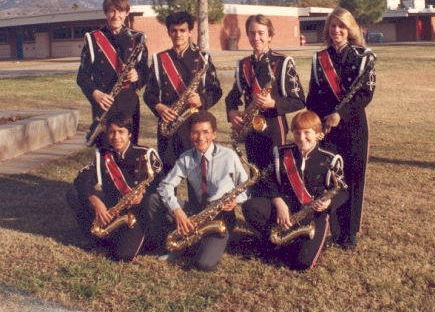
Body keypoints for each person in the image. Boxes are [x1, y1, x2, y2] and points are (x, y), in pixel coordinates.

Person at [306, 7, 376, 250]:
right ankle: (334, 229)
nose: (336, 30)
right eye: (332, 26)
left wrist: (340, 114)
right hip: (327, 128)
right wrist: (317, 124)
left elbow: (365, 94)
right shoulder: (319, 59)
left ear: (350, 29)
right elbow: (312, 96)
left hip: (354, 126)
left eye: (341, 26)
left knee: (354, 177)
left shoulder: (363, 57)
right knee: (331, 177)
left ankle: (351, 232)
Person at [242, 110, 348, 270]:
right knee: (251, 207)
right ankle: (279, 239)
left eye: (307, 133)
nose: (301, 137)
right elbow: (267, 178)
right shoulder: (282, 153)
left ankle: (288, 243)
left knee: (303, 263)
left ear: (318, 133)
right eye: (297, 133)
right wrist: (279, 203)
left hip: (313, 214)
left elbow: (343, 190)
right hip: (286, 209)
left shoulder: (330, 159)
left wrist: (329, 202)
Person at [146, 110, 250, 271]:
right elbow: (164, 186)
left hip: (220, 217)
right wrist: (177, 210)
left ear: (214, 134)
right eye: (196, 132)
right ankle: (173, 246)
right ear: (190, 135)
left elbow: (246, 187)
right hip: (197, 212)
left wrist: (235, 201)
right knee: (154, 199)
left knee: (205, 264)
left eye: (206, 132)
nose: (201, 138)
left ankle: (205, 243)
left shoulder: (229, 156)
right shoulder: (186, 158)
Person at [66, 111, 163, 262]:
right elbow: (81, 180)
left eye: (121, 132)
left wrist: (144, 194)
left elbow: (162, 182)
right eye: (112, 132)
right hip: (112, 209)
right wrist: (96, 202)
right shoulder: (104, 155)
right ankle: (97, 236)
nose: (116, 137)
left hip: (136, 214)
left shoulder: (146, 154)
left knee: (122, 255)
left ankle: (125, 238)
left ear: (130, 134)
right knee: (74, 194)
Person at [225, 14, 306, 190]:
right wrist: (231, 112)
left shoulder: (283, 62)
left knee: (277, 171)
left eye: (261, 33)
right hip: (250, 130)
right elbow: (232, 96)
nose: (256, 38)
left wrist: (273, 103)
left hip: (274, 127)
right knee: (255, 174)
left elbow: (299, 100)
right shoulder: (244, 64)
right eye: (252, 33)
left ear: (270, 35)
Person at [143, 11, 222, 173]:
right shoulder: (159, 59)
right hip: (169, 124)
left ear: (190, 32)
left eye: (182, 30)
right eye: (174, 30)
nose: (178, 34)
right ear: (169, 32)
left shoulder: (203, 58)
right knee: (168, 176)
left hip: (195, 124)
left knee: (198, 176)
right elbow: (148, 94)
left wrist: (202, 100)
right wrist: (159, 107)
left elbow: (216, 90)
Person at [77, 0, 150, 147]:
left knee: (129, 148)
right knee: (105, 150)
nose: (116, 16)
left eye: (120, 11)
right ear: (106, 12)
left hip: (129, 103)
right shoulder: (93, 39)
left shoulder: (137, 38)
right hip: (103, 104)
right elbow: (82, 77)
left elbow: (145, 71)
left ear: (127, 12)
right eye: (111, 11)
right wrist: (94, 93)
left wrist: (138, 75)